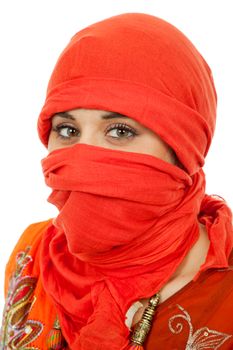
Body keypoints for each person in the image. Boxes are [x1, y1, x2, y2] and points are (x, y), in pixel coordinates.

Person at [0, 12, 233, 350]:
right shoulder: (33, 253)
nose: (84, 154)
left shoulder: (223, 294)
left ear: (182, 148)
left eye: (120, 131)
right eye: (67, 130)